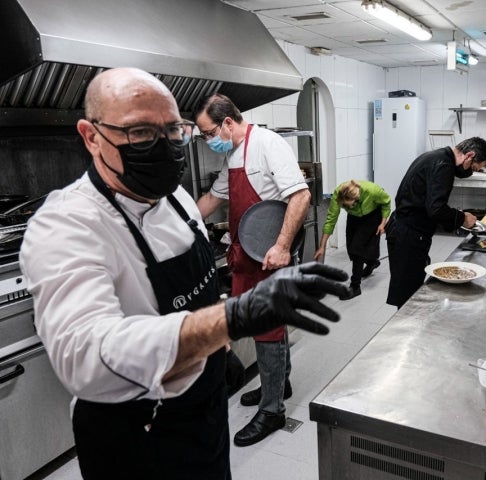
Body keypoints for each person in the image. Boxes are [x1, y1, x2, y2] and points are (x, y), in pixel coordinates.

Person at [18, 67, 350, 480]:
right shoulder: (66, 225)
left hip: (204, 416)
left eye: (174, 131)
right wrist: (230, 319)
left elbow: (200, 294)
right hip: (138, 434)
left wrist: (220, 349)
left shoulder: (175, 198)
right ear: (90, 136)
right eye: (140, 133)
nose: (164, 145)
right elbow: (85, 360)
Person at [193, 94, 311, 447]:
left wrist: (282, 247)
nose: (207, 140)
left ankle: (273, 409)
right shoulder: (233, 155)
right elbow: (213, 200)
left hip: (270, 254)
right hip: (247, 254)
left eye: (208, 132)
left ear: (227, 122)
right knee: (270, 322)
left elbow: (300, 196)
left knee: (267, 327)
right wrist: (173, 219)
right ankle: (280, 382)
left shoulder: (268, 144)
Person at [386, 137, 486, 308]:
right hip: (408, 233)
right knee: (408, 293)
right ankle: (404, 329)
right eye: (472, 168)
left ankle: (409, 324)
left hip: (405, 228)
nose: (470, 173)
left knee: (410, 285)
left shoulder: (436, 156)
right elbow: (436, 209)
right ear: (469, 155)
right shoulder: (444, 165)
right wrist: (462, 218)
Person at [313, 179, 391, 300]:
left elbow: (386, 202)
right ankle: (372, 263)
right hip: (354, 217)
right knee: (351, 248)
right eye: (344, 205)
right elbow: (331, 220)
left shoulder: (372, 191)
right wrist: (322, 246)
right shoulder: (338, 194)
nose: (345, 206)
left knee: (357, 248)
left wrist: (383, 223)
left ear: (356, 198)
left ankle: (355, 286)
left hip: (372, 215)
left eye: (347, 204)